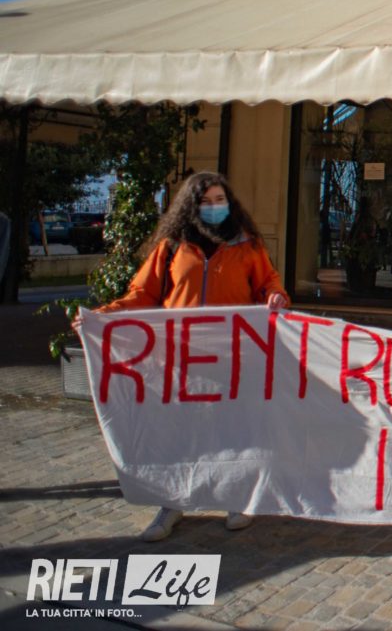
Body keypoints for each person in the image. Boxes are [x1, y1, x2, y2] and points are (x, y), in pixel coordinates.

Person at [76, 171, 289, 541]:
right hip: (178, 359)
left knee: (231, 430)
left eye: (220, 200)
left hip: (229, 358)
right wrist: (102, 317)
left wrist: (276, 296)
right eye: (206, 202)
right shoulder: (172, 247)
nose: (214, 207)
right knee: (178, 432)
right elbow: (142, 294)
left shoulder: (247, 246)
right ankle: (171, 503)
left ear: (230, 203)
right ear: (191, 206)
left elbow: (267, 283)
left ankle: (236, 498)